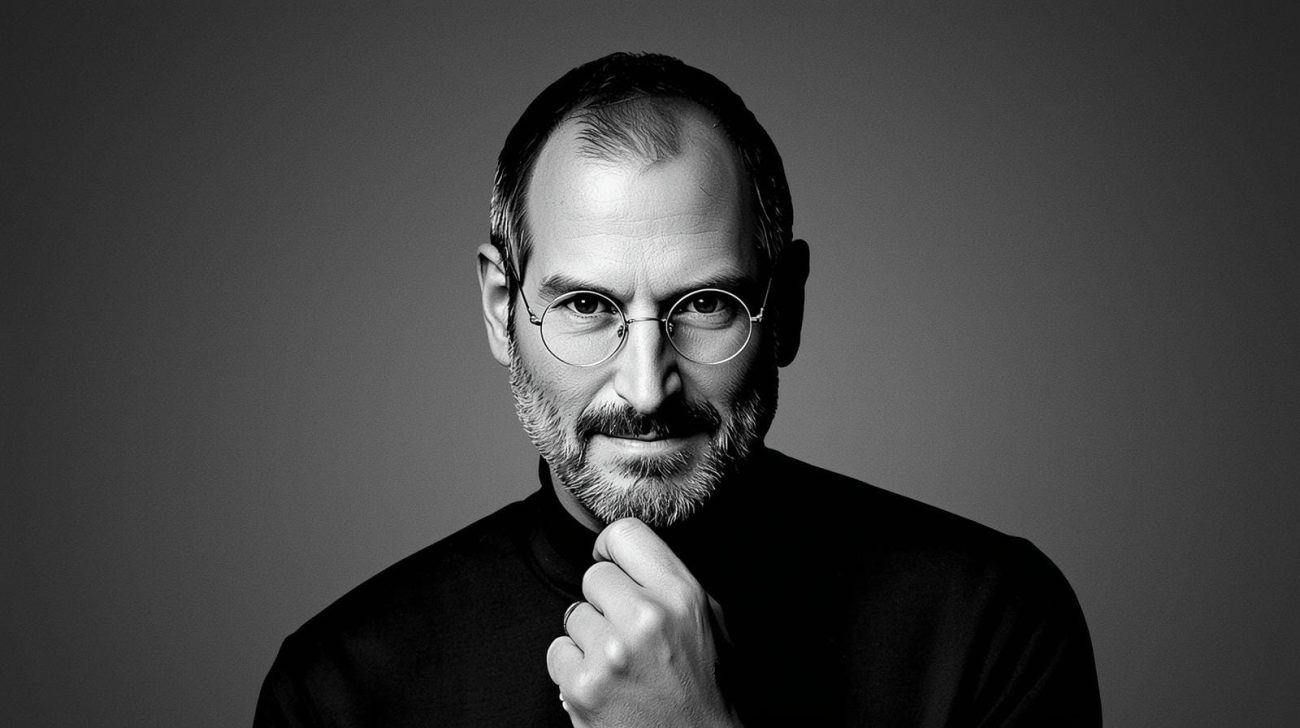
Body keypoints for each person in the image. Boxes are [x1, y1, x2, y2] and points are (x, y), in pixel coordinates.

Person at [254, 52, 1101, 728]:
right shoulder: (338, 691)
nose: (646, 389)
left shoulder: (992, 627)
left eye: (704, 304)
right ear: (501, 310)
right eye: (586, 306)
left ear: (786, 308)